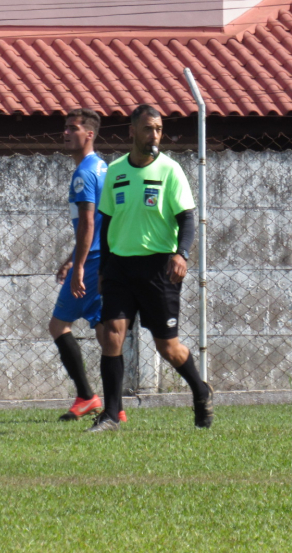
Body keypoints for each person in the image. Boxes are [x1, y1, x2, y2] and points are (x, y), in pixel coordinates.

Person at [86, 104, 211, 432]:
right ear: (132, 131)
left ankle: (200, 390)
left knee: (167, 347)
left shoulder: (170, 171)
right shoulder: (115, 171)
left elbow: (187, 217)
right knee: (112, 335)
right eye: (147, 129)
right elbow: (107, 222)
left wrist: (182, 254)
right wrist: (103, 268)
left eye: (158, 129)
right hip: (120, 268)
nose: (154, 135)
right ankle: (111, 415)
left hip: (159, 268)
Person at [50, 108, 126, 423]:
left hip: (93, 260)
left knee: (58, 325)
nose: (65, 133)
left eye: (73, 128)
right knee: (104, 331)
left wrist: (78, 265)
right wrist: (72, 259)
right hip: (102, 257)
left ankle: (87, 396)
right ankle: (115, 407)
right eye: (65, 128)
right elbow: (97, 221)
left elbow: (87, 224)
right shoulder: (102, 168)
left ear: (89, 134)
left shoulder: (84, 173)